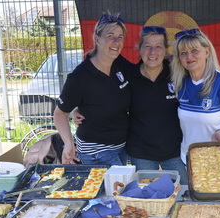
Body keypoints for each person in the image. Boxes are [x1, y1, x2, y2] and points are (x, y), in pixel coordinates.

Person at [74, 26, 188, 184]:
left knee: (184, 194)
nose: (152, 52)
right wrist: (78, 105)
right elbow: (95, 69)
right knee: (146, 199)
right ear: (139, 49)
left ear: (165, 50)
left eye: (158, 47)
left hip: (174, 152)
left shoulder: (177, 73)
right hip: (141, 154)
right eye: (147, 46)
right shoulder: (128, 73)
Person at [54, 13, 131, 166]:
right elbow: (60, 114)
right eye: (110, 35)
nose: (116, 41)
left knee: (118, 189)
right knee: (115, 190)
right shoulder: (80, 77)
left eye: (120, 36)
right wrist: (68, 143)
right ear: (97, 39)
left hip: (121, 147)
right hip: (96, 152)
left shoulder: (119, 63)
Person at [170, 28, 220, 164]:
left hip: (219, 159)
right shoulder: (180, 83)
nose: (189, 57)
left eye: (195, 51)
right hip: (189, 158)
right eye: (183, 53)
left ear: (207, 52)